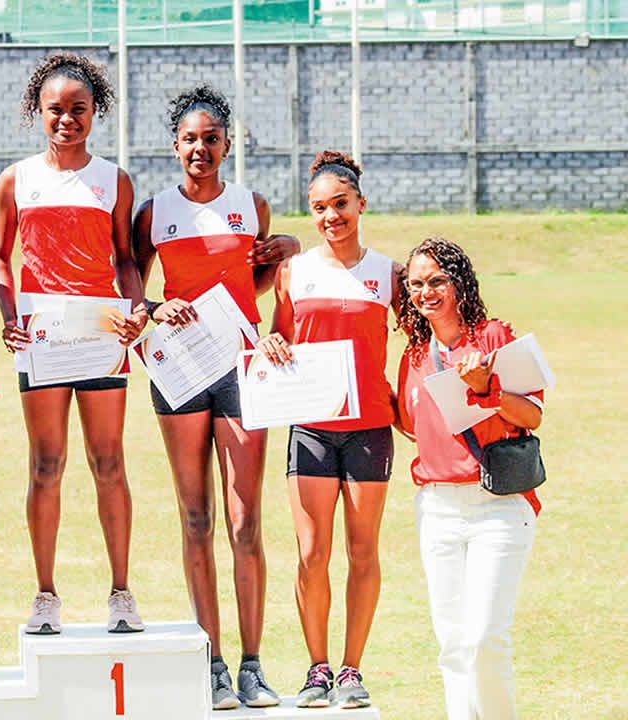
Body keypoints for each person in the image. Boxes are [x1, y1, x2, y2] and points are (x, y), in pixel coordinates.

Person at [132, 84, 299, 710]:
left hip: (238, 365)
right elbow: (130, 276)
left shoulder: (250, 204)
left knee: (245, 519)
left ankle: (253, 665)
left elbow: (260, 274)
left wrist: (286, 255)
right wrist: (155, 306)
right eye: (190, 139)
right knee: (196, 516)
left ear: (228, 144)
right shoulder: (154, 212)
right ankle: (213, 664)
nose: (200, 148)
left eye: (212, 138)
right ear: (174, 146)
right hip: (178, 369)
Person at [0, 52, 149, 636]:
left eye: (78, 109)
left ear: (94, 111)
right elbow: (0, 258)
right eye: (55, 109)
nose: (66, 119)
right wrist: (9, 315)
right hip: (43, 339)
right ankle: (46, 595)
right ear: (39, 110)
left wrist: (135, 311)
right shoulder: (17, 178)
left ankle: (122, 594)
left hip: (100, 335)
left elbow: (127, 259)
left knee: (108, 461)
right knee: (46, 465)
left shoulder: (114, 180)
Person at [256, 151, 401, 709]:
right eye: (319, 208)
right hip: (311, 430)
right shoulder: (294, 270)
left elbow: (417, 342)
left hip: (370, 430)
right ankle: (316, 669)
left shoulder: (388, 273)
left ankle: (351, 670)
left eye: (340, 204)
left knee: (363, 552)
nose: (330, 216)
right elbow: (280, 336)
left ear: (361, 204)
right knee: (312, 553)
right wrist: (272, 342)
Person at [395, 237, 542, 720]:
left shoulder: (495, 337)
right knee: (453, 644)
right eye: (416, 283)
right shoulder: (414, 355)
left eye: (437, 280)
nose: (426, 291)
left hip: (497, 506)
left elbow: (534, 414)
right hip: (436, 508)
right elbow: (414, 426)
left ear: (460, 282)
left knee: (485, 638)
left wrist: (487, 389)